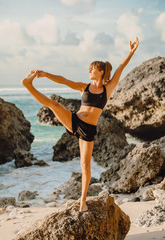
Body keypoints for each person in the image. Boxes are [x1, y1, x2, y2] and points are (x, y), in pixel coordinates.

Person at [21, 37, 139, 212]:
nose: (89, 71)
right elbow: (64, 80)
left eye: (92, 69)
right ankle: (28, 85)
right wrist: (46, 74)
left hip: (88, 130)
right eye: (89, 69)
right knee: (54, 105)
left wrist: (131, 52)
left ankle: (82, 201)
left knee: (85, 166)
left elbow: (120, 68)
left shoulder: (108, 88)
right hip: (75, 120)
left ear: (101, 71)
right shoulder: (84, 87)